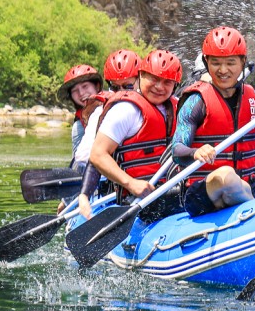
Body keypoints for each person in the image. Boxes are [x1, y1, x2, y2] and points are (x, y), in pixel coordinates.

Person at [171, 26, 255, 217]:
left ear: (243, 62)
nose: (223, 70)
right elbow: (176, 151)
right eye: (216, 63)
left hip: (250, 183)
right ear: (206, 62)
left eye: (231, 63)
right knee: (227, 175)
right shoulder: (196, 101)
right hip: (205, 191)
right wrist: (196, 152)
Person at [78, 49, 182, 220]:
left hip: (172, 190)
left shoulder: (181, 107)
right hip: (136, 198)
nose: (159, 87)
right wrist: (131, 184)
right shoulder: (125, 110)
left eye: (167, 82)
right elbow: (96, 155)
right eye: (153, 79)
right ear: (141, 76)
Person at [72, 49, 142, 170]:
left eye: (128, 86)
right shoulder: (100, 112)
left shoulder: (158, 103)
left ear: (140, 80)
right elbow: (83, 157)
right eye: (115, 87)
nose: (121, 92)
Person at [57, 63, 103, 158]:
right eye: (75, 91)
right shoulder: (78, 127)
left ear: (97, 86)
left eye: (85, 86)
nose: (81, 93)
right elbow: (78, 164)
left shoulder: (115, 109)